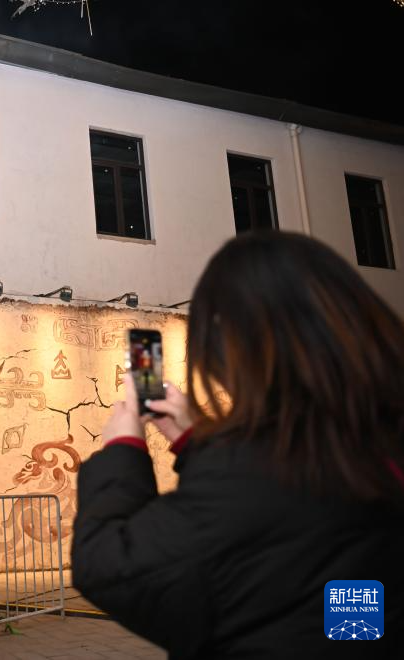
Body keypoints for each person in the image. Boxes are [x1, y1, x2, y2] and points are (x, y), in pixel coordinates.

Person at [72, 232, 404, 659]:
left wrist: (123, 449)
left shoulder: (262, 470)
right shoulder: (368, 437)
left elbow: (111, 566)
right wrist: (196, 442)